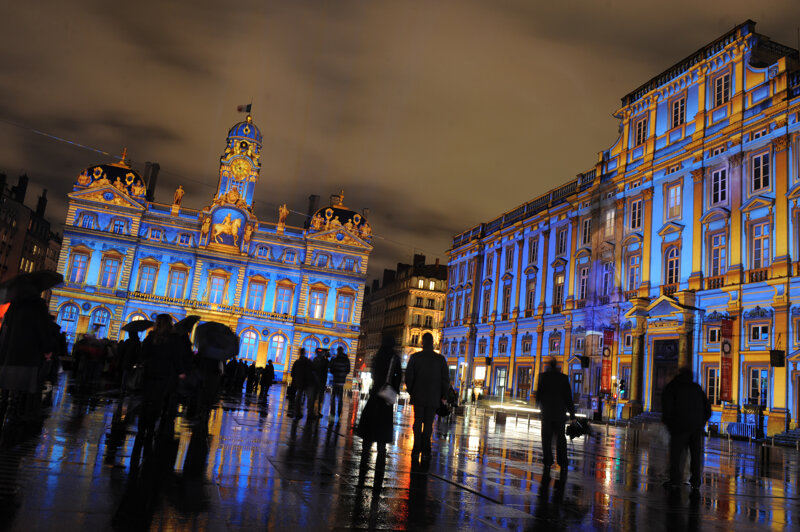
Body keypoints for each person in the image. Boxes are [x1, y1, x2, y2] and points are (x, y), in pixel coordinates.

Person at [132, 314, 187, 464]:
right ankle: (151, 428)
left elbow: (143, 354)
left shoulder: (151, 336)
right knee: (158, 402)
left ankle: (142, 427)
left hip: (149, 373)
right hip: (164, 375)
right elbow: (177, 358)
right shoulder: (174, 339)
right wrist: (181, 372)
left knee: (146, 400)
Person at [662, 367, 712, 489]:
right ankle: (696, 481)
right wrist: (701, 422)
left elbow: (667, 407)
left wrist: (670, 424)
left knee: (676, 455)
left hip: (679, 427)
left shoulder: (673, 387)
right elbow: (708, 409)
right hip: (696, 428)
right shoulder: (697, 388)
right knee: (695, 455)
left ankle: (675, 480)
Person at [404, 332, 449, 464]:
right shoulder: (440, 359)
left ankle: (416, 449)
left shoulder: (415, 357)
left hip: (418, 395)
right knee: (429, 423)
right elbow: (445, 379)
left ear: (422, 342)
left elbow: (408, 376)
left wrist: (411, 391)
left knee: (417, 421)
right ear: (433, 342)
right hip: (433, 396)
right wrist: (444, 395)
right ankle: (426, 451)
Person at [356, 335, 402, 452]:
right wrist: (395, 389)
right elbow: (398, 376)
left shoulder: (378, 356)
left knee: (370, 418)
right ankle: (381, 446)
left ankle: (367, 443)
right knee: (384, 421)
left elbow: (373, 374)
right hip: (387, 392)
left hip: (376, 391)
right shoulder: (394, 358)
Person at [537, 358, 575, 475]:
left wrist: (539, 408)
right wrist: (572, 414)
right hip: (559, 414)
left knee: (546, 439)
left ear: (549, 366)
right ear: (557, 366)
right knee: (561, 439)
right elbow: (568, 397)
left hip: (547, 414)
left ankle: (548, 462)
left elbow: (539, 395)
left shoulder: (543, 377)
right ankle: (563, 463)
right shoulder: (563, 378)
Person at [290, 348, 315, 419]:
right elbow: (314, 369)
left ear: (299, 353)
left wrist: (297, 379)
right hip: (308, 382)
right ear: (305, 353)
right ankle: (310, 413)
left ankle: (298, 412)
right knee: (310, 398)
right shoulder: (308, 361)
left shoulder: (297, 362)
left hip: (300, 383)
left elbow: (292, 374)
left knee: (298, 397)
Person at [328, 347, 351, 418]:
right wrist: (344, 374)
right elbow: (348, 370)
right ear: (343, 351)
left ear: (338, 351)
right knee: (340, 398)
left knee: (333, 397)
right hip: (342, 381)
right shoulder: (346, 360)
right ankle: (339, 411)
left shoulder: (335, 359)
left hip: (335, 380)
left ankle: (332, 412)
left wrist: (335, 373)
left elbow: (331, 369)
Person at [311, 349, 330, 417]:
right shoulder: (325, 361)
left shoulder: (315, 359)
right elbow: (329, 366)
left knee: (314, 396)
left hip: (315, 380)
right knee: (320, 397)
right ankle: (317, 411)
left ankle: (312, 411)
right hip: (321, 381)